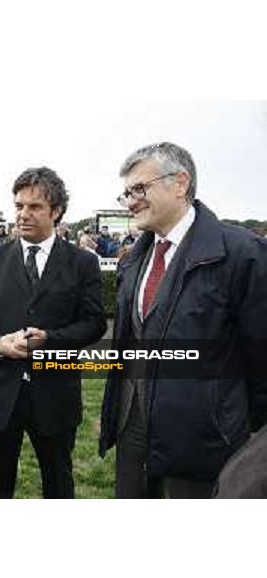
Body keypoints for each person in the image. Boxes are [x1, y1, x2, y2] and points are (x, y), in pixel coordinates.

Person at [99, 142, 267, 499]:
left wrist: (246, 430)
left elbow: (261, 355)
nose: (130, 201)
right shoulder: (133, 260)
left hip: (204, 442)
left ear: (180, 183)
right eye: (126, 193)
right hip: (132, 429)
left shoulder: (242, 254)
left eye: (139, 189)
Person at [0, 166, 106, 499]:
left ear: (56, 211)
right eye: (19, 206)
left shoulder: (82, 263)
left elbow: (94, 322)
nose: (23, 214)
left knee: (58, 485)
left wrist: (50, 341)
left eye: (34, 207)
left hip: (55, 397)